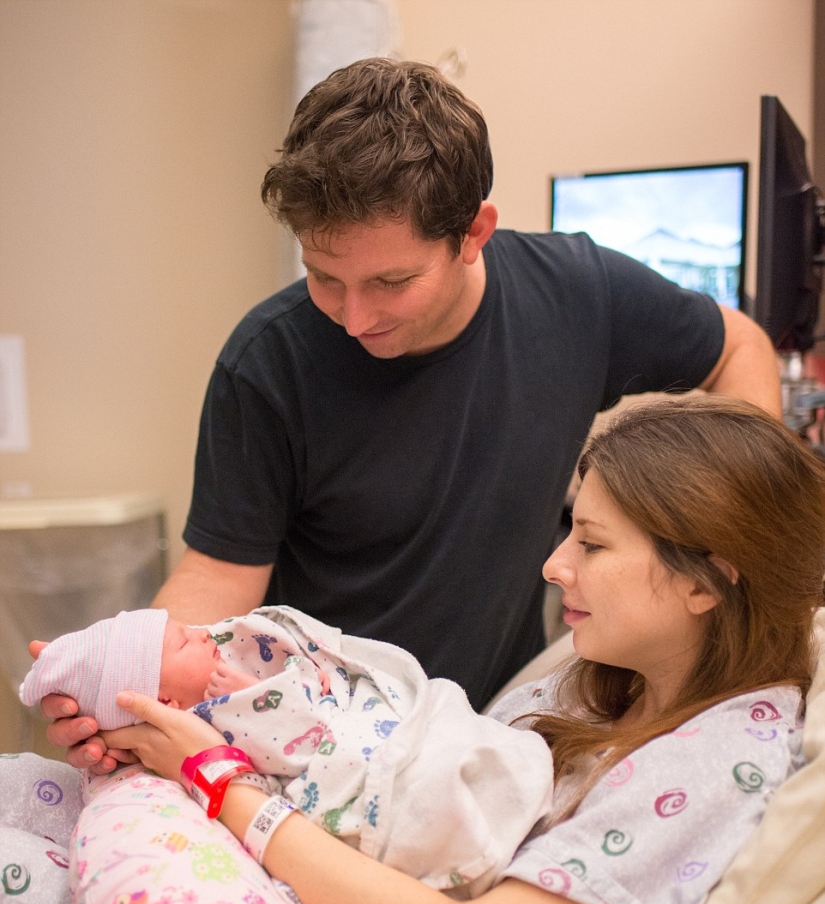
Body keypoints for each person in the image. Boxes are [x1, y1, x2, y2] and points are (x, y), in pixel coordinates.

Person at [3, 397, 820, 904]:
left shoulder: (714, 769)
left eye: (592, 543)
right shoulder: (604, 684)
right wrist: (151, 706)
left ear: (706, 579)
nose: (553, 565)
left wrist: (216, 778)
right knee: (32, 806)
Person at [43, 57, 782, 772]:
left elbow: (739, 348)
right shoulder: (268, 362)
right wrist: (135, 689)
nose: (354, 318)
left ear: (474, 233)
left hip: (498, 731)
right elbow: (219, 576)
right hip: (319, 747)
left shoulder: (578, 296)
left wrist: (743, 545)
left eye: (390, 282)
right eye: (324, 277)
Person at [21, 603, 557, 895]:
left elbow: (305, 676)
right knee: (432, 783)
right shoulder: (199, 722)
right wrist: (252, 699)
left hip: (374, 716)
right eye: (184, 640)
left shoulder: (226, 660)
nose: (203, 635)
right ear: (163, 702)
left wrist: (300, 673)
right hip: (354, 767)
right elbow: (290, 747)